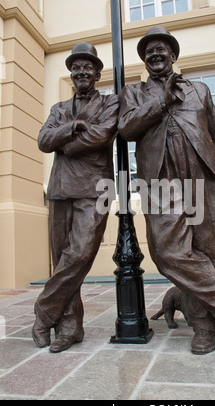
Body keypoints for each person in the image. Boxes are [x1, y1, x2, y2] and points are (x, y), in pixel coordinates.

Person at [118, 27, 215, 354]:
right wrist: (163, 99)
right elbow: (127, 128)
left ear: (173, 54)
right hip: (161, 179)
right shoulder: (134, 93)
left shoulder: (200, 90)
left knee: (209, 252)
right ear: (144, 59)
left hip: (202, 177)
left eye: (161, 48)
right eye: (149, 50)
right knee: (169, 253)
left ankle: (205, 325)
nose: (155, 54)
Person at [32, 43, 119, 353]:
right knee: (62, 260)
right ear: (71, 73)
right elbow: (44, 140)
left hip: (95, 190)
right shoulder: (59, 109)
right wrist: (72, 126)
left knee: (80, 254)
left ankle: (43, 312)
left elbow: (103, 134)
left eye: (87, 67)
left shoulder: (110, 103)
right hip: (59, 189)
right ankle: (70, 326)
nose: (82, 71)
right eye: (76, 67)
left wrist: (66, 143)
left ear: (97, 72)